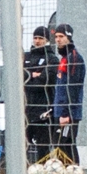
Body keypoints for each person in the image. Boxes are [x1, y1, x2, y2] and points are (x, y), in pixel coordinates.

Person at [23, 25, 56, 161]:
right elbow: (17, 78)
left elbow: (44, 82)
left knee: (43, 148)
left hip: (43, 111)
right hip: (25, 111)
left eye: (40, 38)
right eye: (35, 38)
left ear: (47, 40)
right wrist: (33, 74)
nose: (37, 41)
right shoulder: (25, 57)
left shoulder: (52, 59)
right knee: (20, 146)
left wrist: (28, 76)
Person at [52, 23, 84, 153]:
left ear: (69, 38)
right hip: (59, 111)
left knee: (66, 146)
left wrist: (66, 114)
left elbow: (73, 88)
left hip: (67, 114)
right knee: (59, 145)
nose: (58, 40)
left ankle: (73, 171)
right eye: (56, 36)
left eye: (61, 36)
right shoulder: (64, 58)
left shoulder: (74, 58)